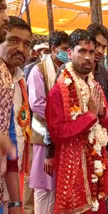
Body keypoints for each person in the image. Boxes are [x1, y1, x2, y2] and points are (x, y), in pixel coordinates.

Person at [45, 29, 108, 213]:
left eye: (91, 52)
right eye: (82, 51)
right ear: (70, 53)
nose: (88, 57)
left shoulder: (95, 87)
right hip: (73, 174)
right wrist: (90, 117)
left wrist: (101, 112)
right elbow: (57, 133)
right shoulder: (59, 91)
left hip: (97, 171)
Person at [28, 30, 69, 214]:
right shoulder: (38, 70)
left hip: (59, 134)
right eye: (64, 49)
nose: (67, 53)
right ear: (53, 49)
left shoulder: (67, 71)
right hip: (42, 132)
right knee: (42, 186)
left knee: (55, 186)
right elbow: (36, 103)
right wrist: (58, 115)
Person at [0, 16, 33, 214]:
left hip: (12, 171)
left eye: (26, 44)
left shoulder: (20, 80)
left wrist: (15, 201)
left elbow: (11, 136)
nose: (21, 48)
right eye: (13, 40)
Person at [0, 1, 18, 212]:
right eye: (0, 8)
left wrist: (15, 200)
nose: (6, 17)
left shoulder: (4, 71)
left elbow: (8, 132)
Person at [87, 23, 108, 107]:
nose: (101, 51)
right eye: (97, 45)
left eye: (104, 47)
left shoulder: (104, 74)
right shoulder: (68, 70)